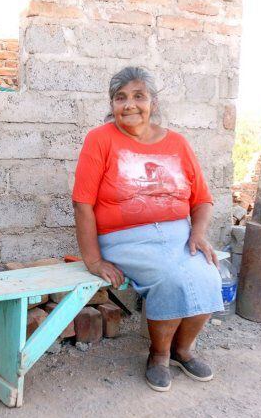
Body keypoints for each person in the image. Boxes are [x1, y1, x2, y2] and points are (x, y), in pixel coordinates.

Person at [72, 66, 223, 392]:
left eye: (138, 96)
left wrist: (197, 233)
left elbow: (203, 200)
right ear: (111, 104)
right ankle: (159, 354)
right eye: (120, 98)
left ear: (153, 102)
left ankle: (183, 350)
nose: (129, 105)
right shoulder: (100, 140)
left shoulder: (178, 143)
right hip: (125, 239)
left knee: (211, 274)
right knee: (171, 278)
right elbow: (82, 203)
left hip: (178, 235)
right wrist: (94, 260)